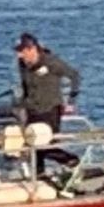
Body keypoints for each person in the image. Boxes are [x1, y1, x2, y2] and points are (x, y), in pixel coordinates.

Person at [14, 33, 80, 172]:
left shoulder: (51, 62)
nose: (19, 56)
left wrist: (71, 100)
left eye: (22, 52)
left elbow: (74, 75)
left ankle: (70, 159)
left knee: (45, 145)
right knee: (32, 146)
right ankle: (39, 176)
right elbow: (25, 84)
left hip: (50, 109)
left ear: (32, 49)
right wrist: (21, 103)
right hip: (31, 109)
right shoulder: (22, 64)